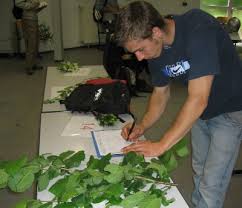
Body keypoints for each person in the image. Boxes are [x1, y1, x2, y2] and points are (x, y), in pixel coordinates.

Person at [115, 1, 242, 208]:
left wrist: (161, 145)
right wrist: (142, 126)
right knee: (199, 169)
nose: (138, 57)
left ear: (156, 32)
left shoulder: (199, 28)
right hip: (201, 112)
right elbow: (161, 93)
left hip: (230, 109)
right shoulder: (157, 49)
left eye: (139, 50)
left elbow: (198, 98)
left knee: (212, 184)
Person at [15, 0, 47, 75]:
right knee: (31, 43)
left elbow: (33, 9)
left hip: (33, 18)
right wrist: (34, 4)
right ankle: (29, 67)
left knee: (35, 42)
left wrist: (41, 7)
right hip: (28, 19)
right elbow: (18, 3)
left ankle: (33, 64)